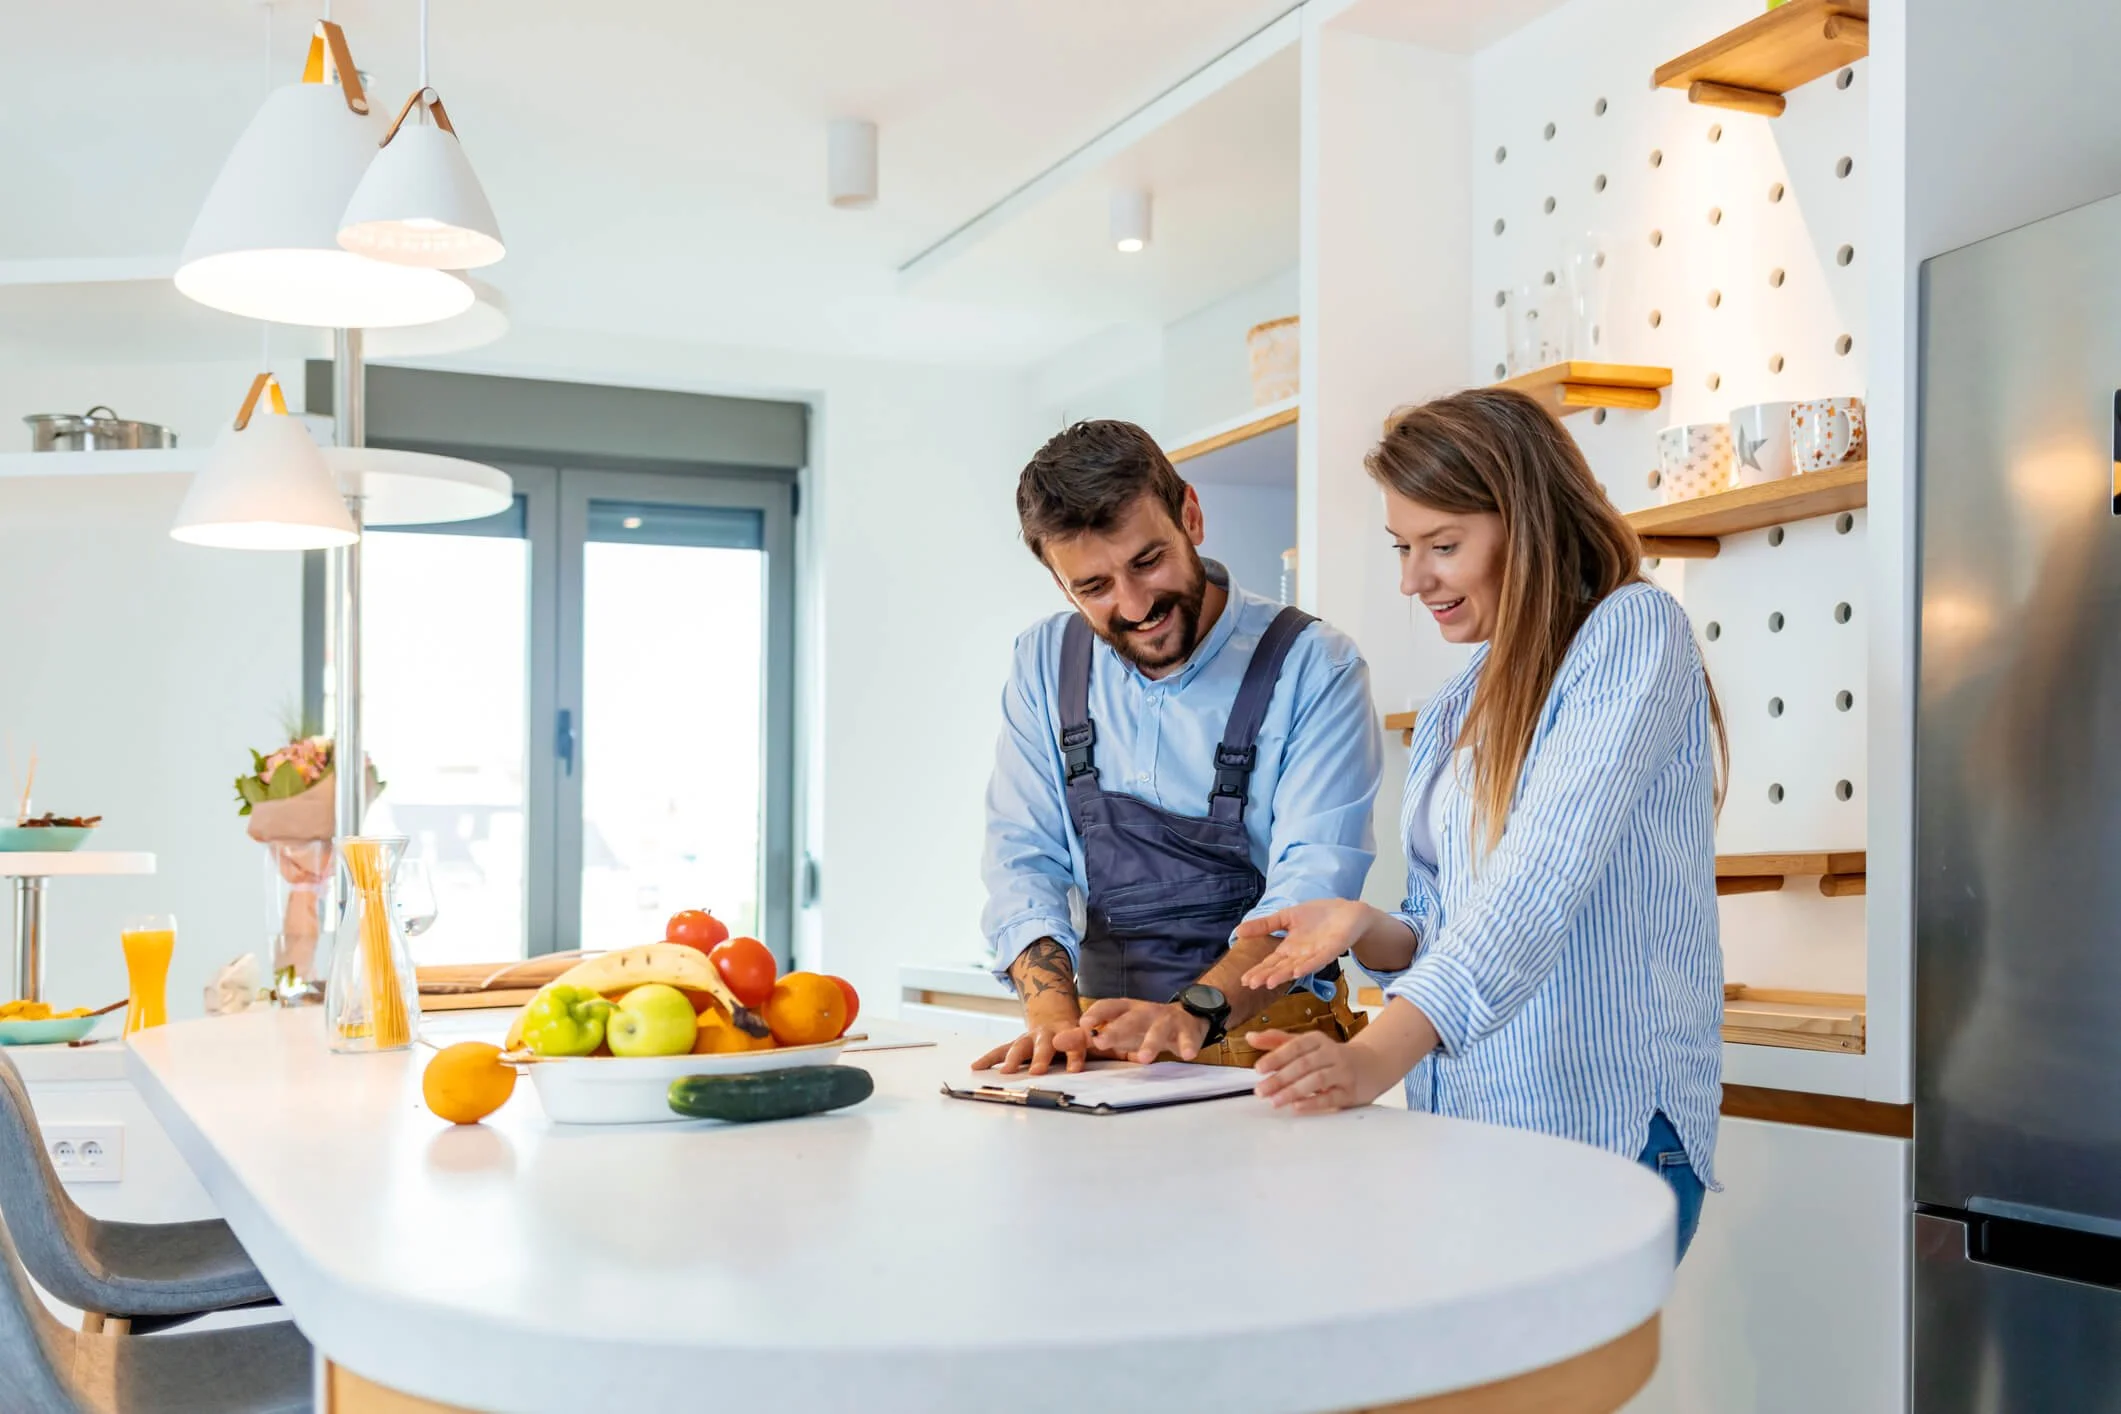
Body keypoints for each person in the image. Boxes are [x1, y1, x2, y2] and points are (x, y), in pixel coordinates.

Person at [1236, 388, 1727, 1261]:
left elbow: (1534, 886)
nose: (1411, 579)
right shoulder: (1458, 700)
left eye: (1442, 545)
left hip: (1599, 1136)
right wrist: (1369, 927)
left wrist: (1373, 1058)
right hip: (1470, 1130)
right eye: (1402, 547)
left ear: (1527, 523)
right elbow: (1446, 916)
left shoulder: (1631, 631)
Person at [975, 420, 1383, 1076]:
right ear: (1060, 585)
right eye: (1094, 587)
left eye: (1147, 561)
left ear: (1189, 515)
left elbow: (1309, 888)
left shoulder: (1313, 665)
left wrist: (1189, 1015)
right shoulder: (1044, 661)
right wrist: (1053, 1022)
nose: (1134, 605)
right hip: (1104, 1052)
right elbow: (1024, 859)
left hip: (1273, 1052)